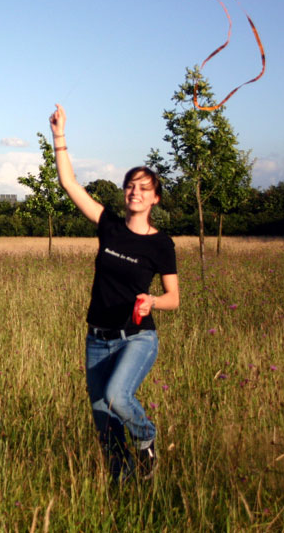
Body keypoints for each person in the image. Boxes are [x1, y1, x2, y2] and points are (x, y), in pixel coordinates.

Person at [49, 103, 180, 483]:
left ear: (155, 198)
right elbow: (70, 185)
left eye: (144, 188)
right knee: (104, 425)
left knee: (117, 399)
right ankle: (126, 485)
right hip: (97, 339)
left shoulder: (161, 245)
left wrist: (153, 300)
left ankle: (146, 437)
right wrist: (59, 135)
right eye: (130, 186)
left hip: (136, 337)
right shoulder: (109, 226)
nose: (134, 192)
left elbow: (174, 297)